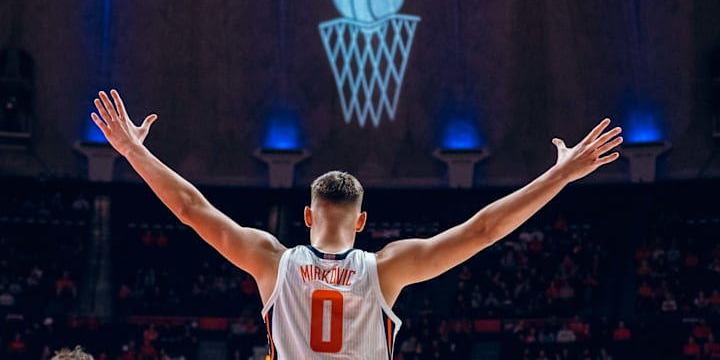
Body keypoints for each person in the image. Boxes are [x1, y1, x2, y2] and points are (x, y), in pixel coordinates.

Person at [91, 89, 623, 359]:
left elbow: (189, 207)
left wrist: (134, 152)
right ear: (363, 221)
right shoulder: (387, 268)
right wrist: (562, 175)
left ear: (306, 216)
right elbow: (483, 230)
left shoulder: (272, 261)